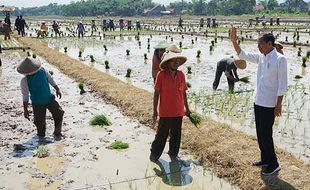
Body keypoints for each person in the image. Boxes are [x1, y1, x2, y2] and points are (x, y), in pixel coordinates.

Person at [230, 26, 288, 176]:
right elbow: (243, 54)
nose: (258, 46)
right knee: (260, 133)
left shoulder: (280, 60)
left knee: (266, 133)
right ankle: (265, 159)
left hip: (269, 103)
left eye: (260, 43)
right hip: (258, 100)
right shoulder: (262, 57)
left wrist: (278, 104)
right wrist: (233, 40)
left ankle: (274, 163)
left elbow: (282, 85)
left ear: (270, 44)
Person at [150, 50, 191, 162]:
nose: (175, 63)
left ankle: (173, 154)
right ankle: (154, 156)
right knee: (161, 136)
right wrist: (155, 111)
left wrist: (187, 108)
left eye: (177, 61)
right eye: (173, 61)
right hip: (165, 112)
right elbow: (156, 93)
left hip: (178, 111)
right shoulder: (161, 75)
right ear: (168, 62)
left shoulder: (181, 75)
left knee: (176, 135)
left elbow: (183, 93)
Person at [17, 58, 64, 139]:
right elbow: (25, 95)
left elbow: (50, 79)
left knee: (59, 113)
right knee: (40, 123)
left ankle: (57, 133)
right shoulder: (24, 80)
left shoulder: (42, 71)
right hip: (37, 103)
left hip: (49, 98)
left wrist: (57, 89)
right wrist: (25, 109)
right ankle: (41, 139)